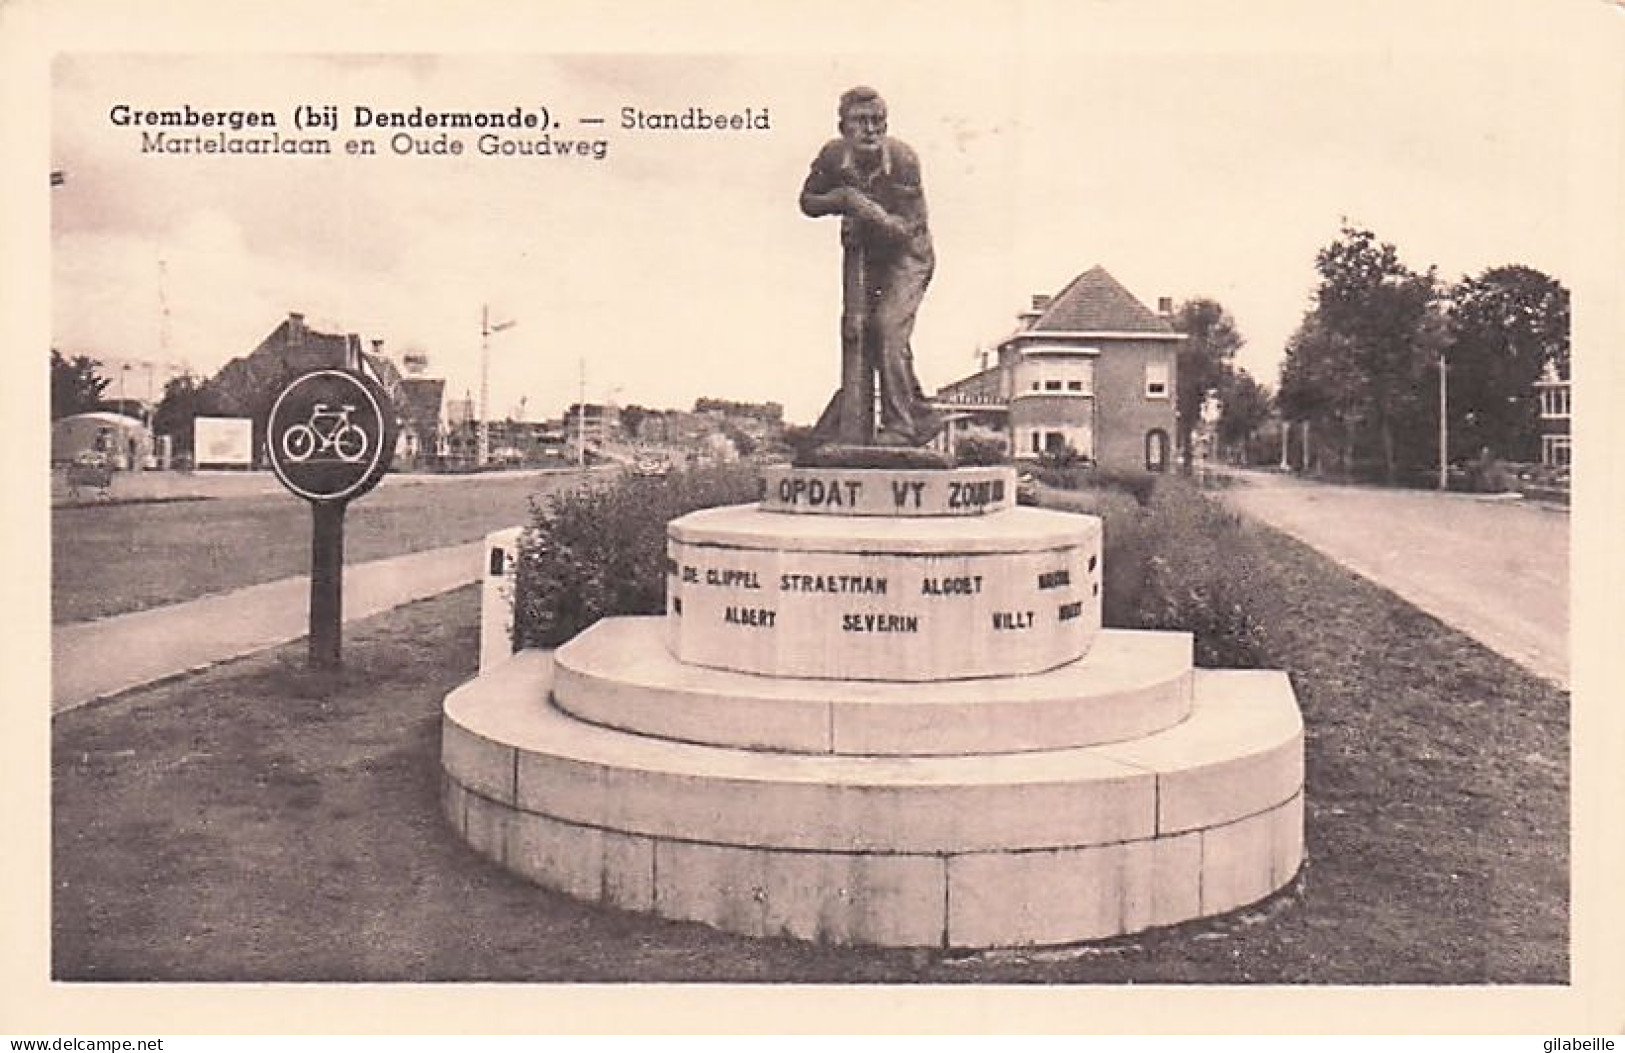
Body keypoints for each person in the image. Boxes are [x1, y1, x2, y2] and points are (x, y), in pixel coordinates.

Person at [800, 87, 942, 447]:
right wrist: (842, 199)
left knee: (888, 328)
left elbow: (902, 229)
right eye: (861, 121)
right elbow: (808, 201)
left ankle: (901, 426)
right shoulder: (832, 156)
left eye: (878, 122)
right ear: (843, 127)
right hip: (868, 256)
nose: (870, 130)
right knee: (863, 331)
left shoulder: (904, 160)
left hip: (909, 254)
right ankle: (919, 412)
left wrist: (861, 207)